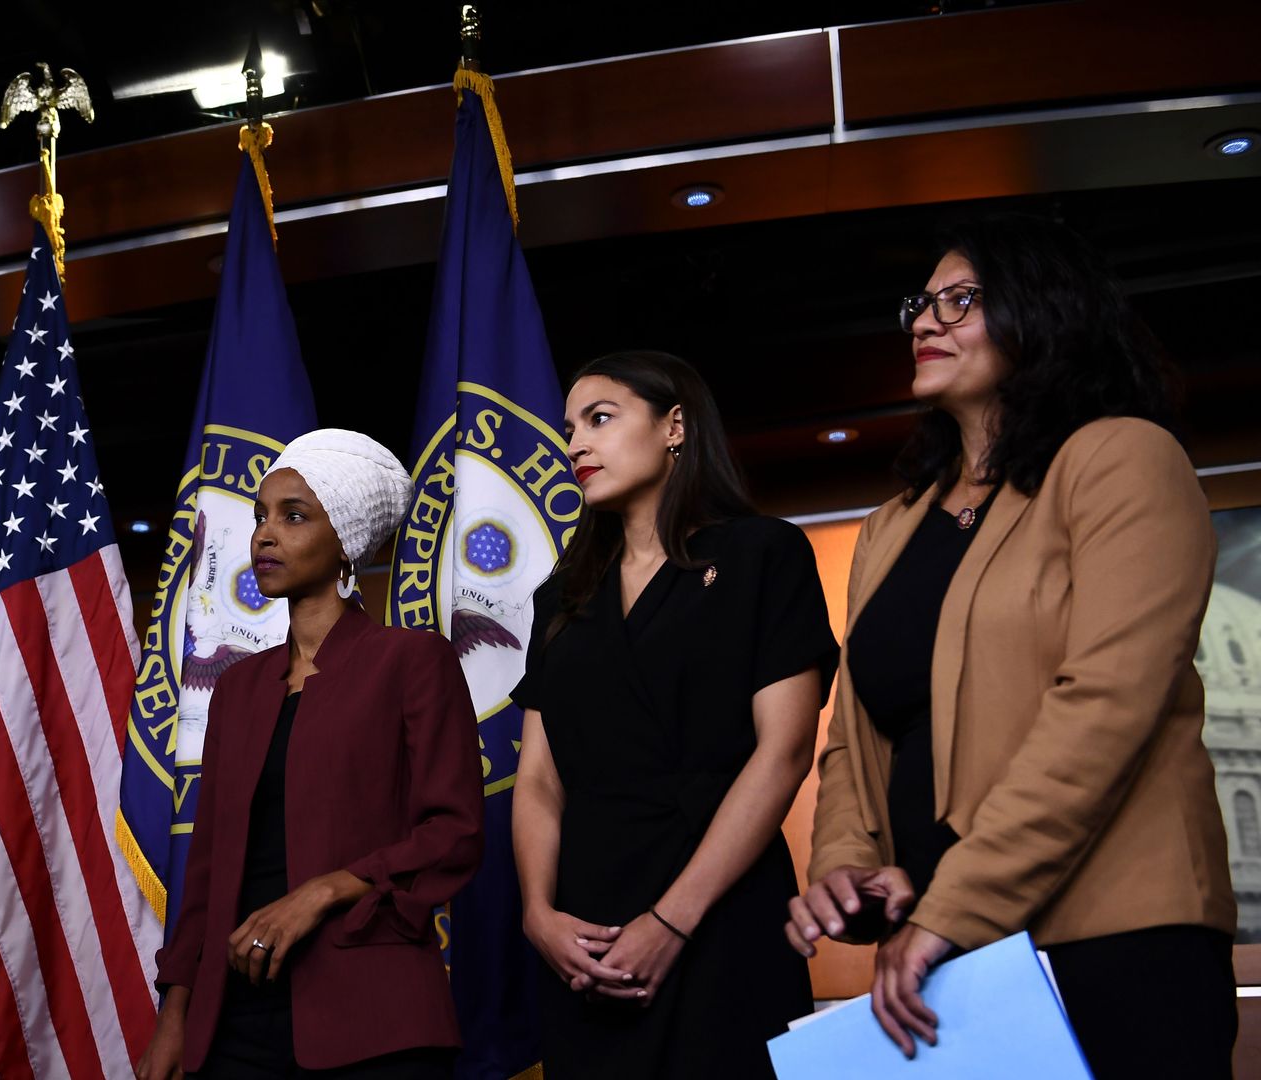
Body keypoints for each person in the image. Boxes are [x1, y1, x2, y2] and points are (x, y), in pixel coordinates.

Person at [788, 214, 1235, 1077]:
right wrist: (849, 866)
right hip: (947, 956)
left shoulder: (1123, 458)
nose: (924, 323)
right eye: (921, 304)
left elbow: (1103, 708)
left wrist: (954, 905)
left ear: (1046, 310)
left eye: (961, 301)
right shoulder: (891, 527)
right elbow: (854, 736)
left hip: (1117, 939)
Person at [510, 351, 837, 1078]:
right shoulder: (559, 599)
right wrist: (537, 914)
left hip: (721, 908)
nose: (575, 446)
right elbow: (537, 779)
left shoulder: (763, 554)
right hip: (583, 934)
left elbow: (782, 753)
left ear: (675, 427)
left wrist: (671, 921)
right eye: (569, 429)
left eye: (599, 419)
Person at [138, 428, 485, 1080]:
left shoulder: (411, 660)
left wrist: (322, 892)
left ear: (348, 539)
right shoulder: (239, 686)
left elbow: (455, 833)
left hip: (374, 1022)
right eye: (261, 517)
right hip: (234, 1021)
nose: (264, 535)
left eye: (293, 516)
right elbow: (207, 868)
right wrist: (175, 1015)